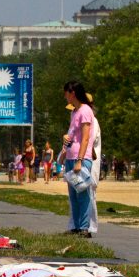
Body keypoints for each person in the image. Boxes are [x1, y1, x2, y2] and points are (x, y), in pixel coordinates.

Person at [60, 81, 95, 238]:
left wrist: (80, 160)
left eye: (66, 93)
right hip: (70, 156)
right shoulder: (74, 112)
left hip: (81, 158)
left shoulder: (85, 111)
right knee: (73, 194)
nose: (64, 96)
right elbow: (73, 133)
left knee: (82, 193)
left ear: (72, 93)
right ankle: (75, 226)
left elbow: (86, 138)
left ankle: (83, 228)